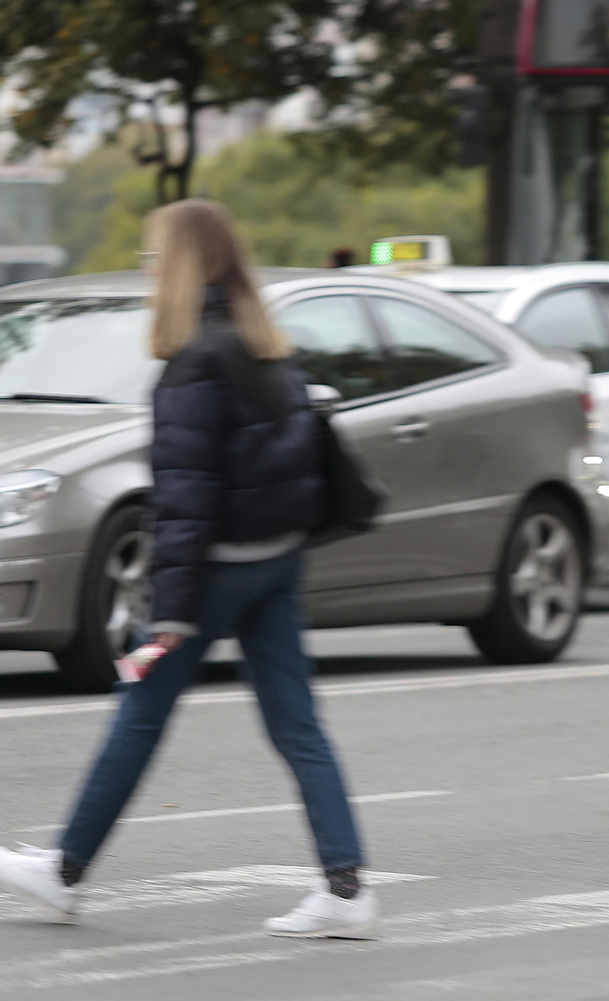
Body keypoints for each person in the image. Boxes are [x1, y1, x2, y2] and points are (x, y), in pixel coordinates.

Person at [0, 199, 377, 938]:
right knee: (299, 726)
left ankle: (64, 873)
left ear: (177, 267)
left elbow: (184, 500)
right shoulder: (269, 345)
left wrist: (171, 611)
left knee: (139, 715)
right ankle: (346, 890)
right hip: (276, 563)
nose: (148, 270)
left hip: (214, 578)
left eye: (153, 258)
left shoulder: (192, 365)